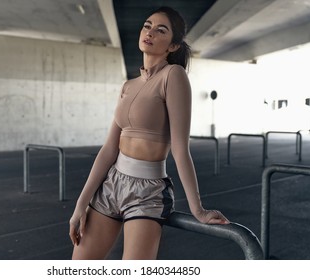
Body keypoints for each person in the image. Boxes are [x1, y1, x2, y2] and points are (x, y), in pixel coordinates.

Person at [69, 6, 229, 260]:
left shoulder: (173, 76)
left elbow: (179, 148)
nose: (150, 32)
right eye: (147, 25)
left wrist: (197, 209)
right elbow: (109, 149)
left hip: (148, 193)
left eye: (160, 30)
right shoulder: (128, 86)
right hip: (111, 185)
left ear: (173, 45)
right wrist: (80, 204)